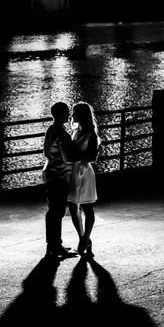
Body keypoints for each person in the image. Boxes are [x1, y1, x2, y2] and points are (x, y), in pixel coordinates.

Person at [65, 101, 102, 258]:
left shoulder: (91, 134)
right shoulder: (74, 132)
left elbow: (93, 157)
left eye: (75, 112)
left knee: (87, 207)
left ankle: (86, 238)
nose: (72, 115)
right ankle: (83, 238)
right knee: (73, 206)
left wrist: (76, 156)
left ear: (82, 115)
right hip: (74, 171)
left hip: (84, 172)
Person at [41, 101, 77, 259]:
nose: (69, 115)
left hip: (50, 172)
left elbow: (46, 152)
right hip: (60, 175)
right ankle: (55, 246)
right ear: (61, 114)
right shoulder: (62, 134)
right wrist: (81, 156)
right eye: (67, 112)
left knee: (53, 210)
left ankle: (53, 244)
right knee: (58, 210)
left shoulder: (50, 130)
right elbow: (67, 157)